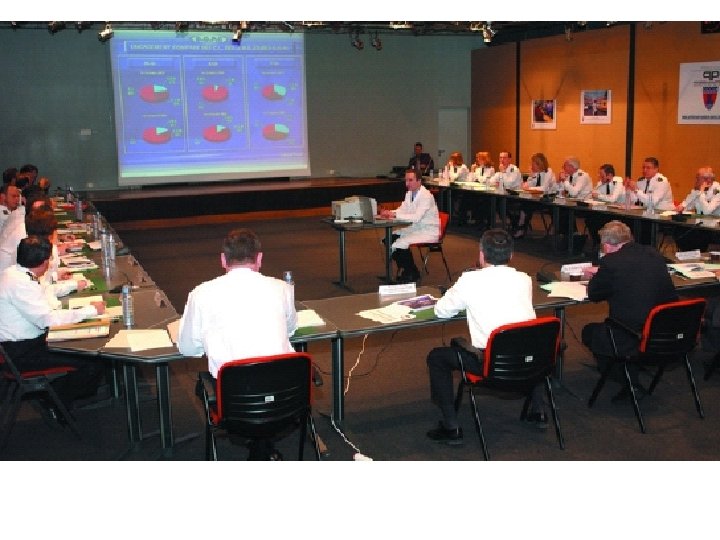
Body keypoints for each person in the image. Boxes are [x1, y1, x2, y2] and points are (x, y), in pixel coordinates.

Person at [177, 228, 297, 460]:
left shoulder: (201, 294)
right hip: (285, 399)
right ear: (259, 258)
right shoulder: (282, 288)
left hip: (234, 404)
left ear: (223, 260)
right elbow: (291, 329)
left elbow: (187, 348)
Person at [425, 229, 546, 445]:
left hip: (490, 365)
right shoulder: (524, 279)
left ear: (481, 255)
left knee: (437, 357)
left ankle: (451, 426)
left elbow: (441, 311)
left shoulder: (469, 281)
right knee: (529, 343)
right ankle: (539, 412)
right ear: (511, 255)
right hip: (529, 363)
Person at [0, 236, 106, 417]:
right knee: (91, 360)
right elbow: (47, 319)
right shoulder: (20, 284)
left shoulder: (16, 273)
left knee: (85, 352)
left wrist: (73, 285)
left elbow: (44, 291)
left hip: (25, 344)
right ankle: (56, 403)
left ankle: (58, 395)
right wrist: (90, 311)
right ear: (44, 262)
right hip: (22, 353)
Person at [581, 220, 678, 399]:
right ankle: (629, 369)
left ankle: (625, 378)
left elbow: (594, 294)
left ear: (607, 246)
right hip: (665, 331)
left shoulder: (610, 262)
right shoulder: (653, 253)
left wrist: (596, 276)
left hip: (633, 334)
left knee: (589, 332)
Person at [379, 168, 440, 283]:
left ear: (419, 181)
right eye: (406, 180)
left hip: (428, 231)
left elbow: (416, 217)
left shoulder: (426, 196)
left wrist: (394, 215)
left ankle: (410, 273)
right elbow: (402, 210)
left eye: (410, 180)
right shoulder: (409, 194)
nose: (407, 183)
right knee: (388, 239)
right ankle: (410, 271)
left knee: (400, 243)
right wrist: (390, 213)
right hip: (417, 228)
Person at [673, 166, 720, 251]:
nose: (696, 180)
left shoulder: (717, 190)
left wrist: (701, 193)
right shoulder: (697, 189)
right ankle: (687, 254)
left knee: (691, 236)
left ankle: (696, 254)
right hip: (700, 225)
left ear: (707, 180)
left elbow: (707, 211)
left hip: (714, 228)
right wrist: (682, 207)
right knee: (679, 230)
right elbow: (687, 203)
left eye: (698, 178)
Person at [512, 152, 557, 238]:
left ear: (539, 164)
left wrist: (529, 188)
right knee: (523, 205)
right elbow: (526, 185)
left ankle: (520, 228)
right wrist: (531, 177)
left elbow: (544, 188)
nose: (532, 166)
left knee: (526, 207)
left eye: (533, 164)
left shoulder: (548, 172)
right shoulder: (535, 173)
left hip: (548, 200)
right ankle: (520, 228)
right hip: (536, 199)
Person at [585, 164, 626, 249]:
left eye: (602, 175)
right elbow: (591, 195)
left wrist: (599, 196)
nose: (599, 177)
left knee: (601, 221)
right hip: (606, 211)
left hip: (619, 213)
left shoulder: (618, 183)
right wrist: (595, 193)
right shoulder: (601, 184)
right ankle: (597, 243)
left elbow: (613, 199)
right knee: (590, 219)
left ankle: (605, 244)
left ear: (609, 175)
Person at [459, 151, 495, 227]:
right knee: (465, 198)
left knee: (481, 201)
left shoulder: (491, 169)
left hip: (487, 193)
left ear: (485, 160)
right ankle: (462, 220)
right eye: (477, 158)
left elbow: (484, 180)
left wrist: (477, 177)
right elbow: (470, 180)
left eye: (479, 158)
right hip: (477, 191)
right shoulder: (478, 169)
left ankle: (481, 222)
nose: (478, 160)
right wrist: (472, 171)